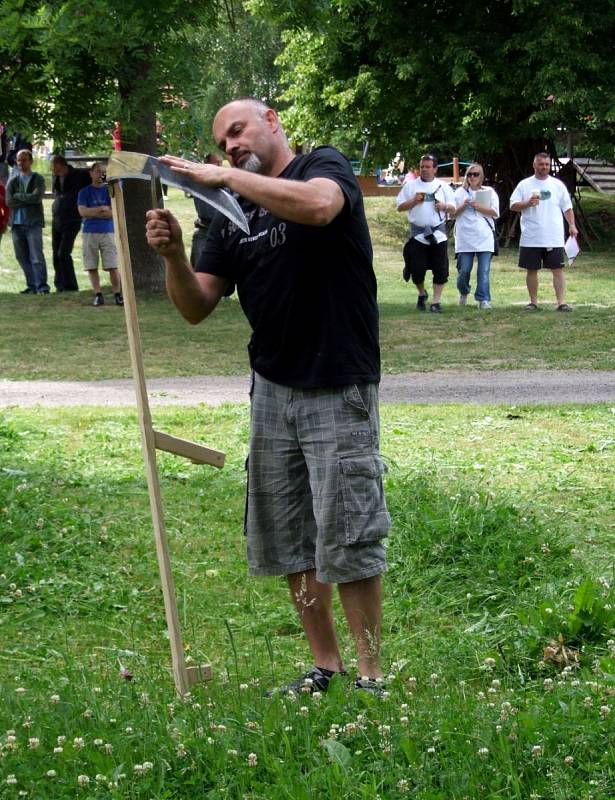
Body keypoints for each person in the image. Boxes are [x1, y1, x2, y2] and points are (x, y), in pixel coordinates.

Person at [146, 98, 390, 695]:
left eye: (238, 131)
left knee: (350, 530)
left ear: (273, 120)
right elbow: (197, 305)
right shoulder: (229, 217)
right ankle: (325, 664)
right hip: (272, 390)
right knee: (289, 534)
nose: (230, 145)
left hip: (337, 380)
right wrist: (176, 255)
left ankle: (371, 675)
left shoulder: (319, 169)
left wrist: (224, 175)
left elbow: (321, 208)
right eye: (222, 142)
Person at [509, 152, 578, 311]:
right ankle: (533, 302)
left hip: (553, 236)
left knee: (558, 270)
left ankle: (561, 303)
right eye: (541, 164)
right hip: (531, 236)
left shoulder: (557, 185)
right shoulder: (525, 185)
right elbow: (513, 205)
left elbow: (567, 207)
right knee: (532, 270)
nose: (544, 167)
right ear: (534, 165)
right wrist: (526, 203)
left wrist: (572, 225)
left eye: (547, 164)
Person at [396, 154, 455, 313]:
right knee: (416, 269)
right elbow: (400, 207)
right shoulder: (410, 186)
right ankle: (422, 293)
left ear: (435, 169)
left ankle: (436, 302)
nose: (424, 169)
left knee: (440, 269)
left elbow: (453, 208)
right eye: (422, 166)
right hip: (418, 235)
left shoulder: (443, 187)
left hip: (438, 235)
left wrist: (444, 206)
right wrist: (413, 201)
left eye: (428, 167)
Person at [452, 163, 500, 310]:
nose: (473, 177)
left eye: (476, 174)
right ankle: (464, 291)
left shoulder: (489, 192)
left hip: (484, 237)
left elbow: (495, 212)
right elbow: (451, 214)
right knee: (464, 270)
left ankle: (483, 299)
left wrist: (479, 206)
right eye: (470, 174)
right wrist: (463, 206)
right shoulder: (459, 193)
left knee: (483, 271)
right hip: (465, 238)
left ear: (481, 176)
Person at [77, 162, 123, 307]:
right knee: (91, 265)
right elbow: (83, 212)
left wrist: (95, 212)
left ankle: (117, 293)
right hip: (89, 232)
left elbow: (113, 213)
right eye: (97, 171)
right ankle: (98, 294)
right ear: (90, 173)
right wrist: (101, 209)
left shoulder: (110, 190)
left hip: (108, 231)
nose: (100, 174)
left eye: (103, 172)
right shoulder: (84, 192)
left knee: (113, 265)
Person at [5, 149, 50, 294]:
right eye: (18, 160)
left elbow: (36, 198)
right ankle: (31, 285)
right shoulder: (13, 181)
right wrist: (26, 198)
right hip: (17, 224)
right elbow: (9, 202)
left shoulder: (38, 179)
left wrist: (19, 196)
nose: (20, 163)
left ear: (31, 161)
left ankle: (42, 286)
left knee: (36, 256)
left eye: (24, 160)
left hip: (33, 223)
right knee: (21, 256)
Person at [50, 154, 91, 292]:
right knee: (56, 253)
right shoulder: (56, 178)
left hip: (72, 219)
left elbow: (98, 176)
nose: (52, 169)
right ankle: (60, 285)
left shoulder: (79, 175)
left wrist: (104, 183)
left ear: (61, 165)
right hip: (57, 219)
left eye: (54, 166)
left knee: (64, 253)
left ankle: (71, 286)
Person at [190, 152, 224, 269]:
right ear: (207, 163)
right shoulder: (198, 181)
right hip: (205, 231)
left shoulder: (226, 181)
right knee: (200, 271)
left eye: (221, 163)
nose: (219, 166)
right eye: (216, 163)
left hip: (224, 232)